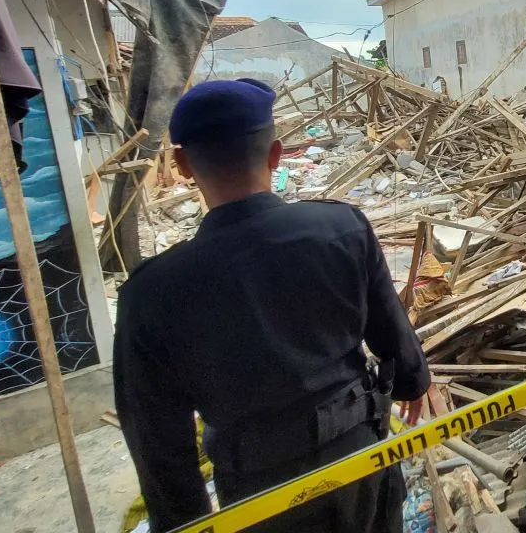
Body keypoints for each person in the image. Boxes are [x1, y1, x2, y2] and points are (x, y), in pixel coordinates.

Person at [114, 78, 430, 532]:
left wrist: (184, 523)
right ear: (276, 154)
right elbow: (391, 332)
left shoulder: (149, 293)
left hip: (257, 493)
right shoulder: (340, 228)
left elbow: (157, 441)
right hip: (359, 459)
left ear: (181, 165)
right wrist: (414, 382)